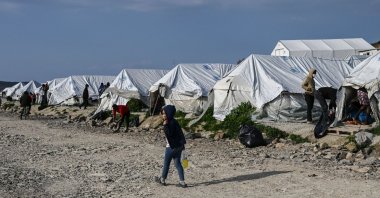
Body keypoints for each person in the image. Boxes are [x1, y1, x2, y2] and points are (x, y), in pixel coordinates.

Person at [156, 105, 187, 188]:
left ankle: (162, 179)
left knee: (166, 163)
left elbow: (169, 134)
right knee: (178, 164)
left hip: (171, 147)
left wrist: (165, 126)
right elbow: (180, 134)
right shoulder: (175, 121)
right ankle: (182, 182)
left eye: (164, 114)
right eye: (162, 114)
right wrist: (183, 145)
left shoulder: (169, 122)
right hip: (179, 146)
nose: (163, 115)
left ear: (169, 113)